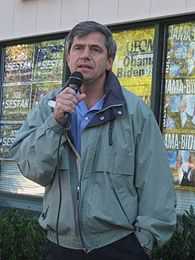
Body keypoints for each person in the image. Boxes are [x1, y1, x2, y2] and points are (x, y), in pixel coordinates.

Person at [10, 21, 176, 260]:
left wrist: (144, 243)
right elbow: (33, 169)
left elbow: (156, 184)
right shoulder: (48, 108)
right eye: (78, 48)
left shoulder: (134, 112)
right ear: (68, 58)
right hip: (60, 247)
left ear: (109, 61)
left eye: (95, 49)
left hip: (119, 246)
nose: (85, 55)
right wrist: (55, 123)